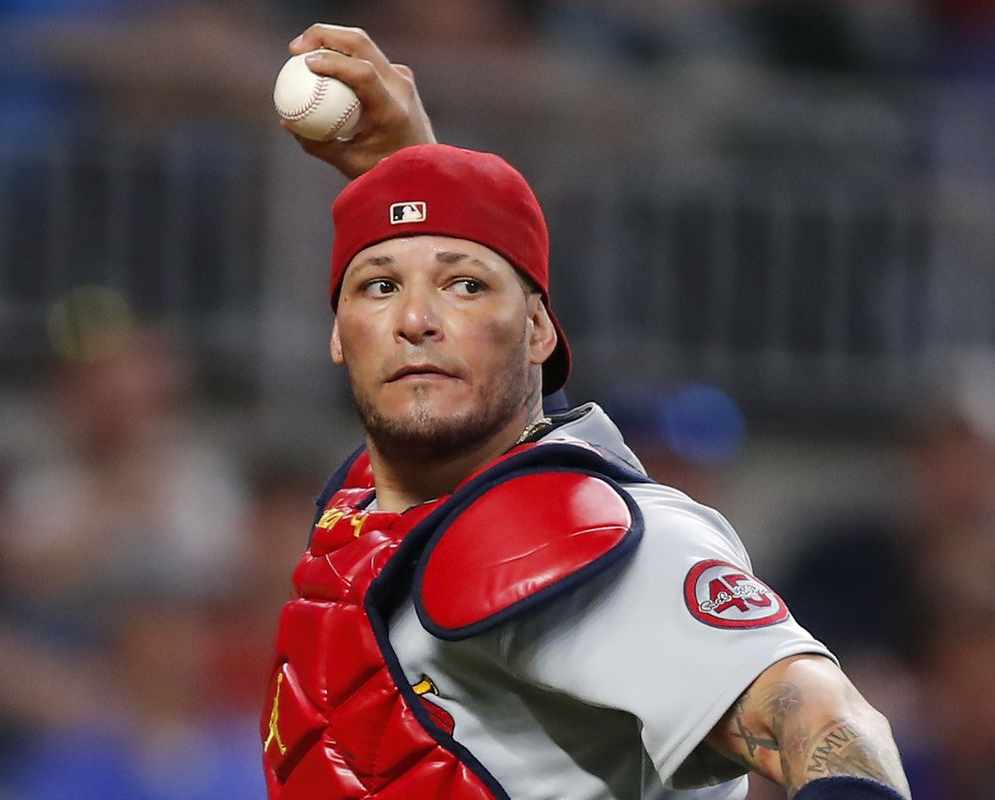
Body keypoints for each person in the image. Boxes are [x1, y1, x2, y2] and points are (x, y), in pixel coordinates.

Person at [261, 23, 911, 800]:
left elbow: (825, 723)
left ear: (539, 328)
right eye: (379, 286)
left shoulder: (584, 538)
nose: (416, 320)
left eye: (466, 285)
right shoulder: (368, 513)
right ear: (339, 333)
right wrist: (414, 172)